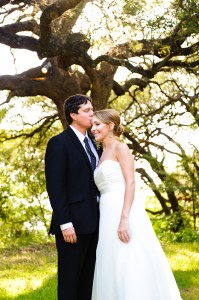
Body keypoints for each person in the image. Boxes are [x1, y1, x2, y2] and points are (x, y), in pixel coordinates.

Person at [91, 109, 182, 300]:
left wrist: (124, 219)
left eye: (97, 124)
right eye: (92, 124)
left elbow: (130, 182)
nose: (93, 129)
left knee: (129, 259)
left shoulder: (120, 148)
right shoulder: (102, 152)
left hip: (123, 210)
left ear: (111, 126)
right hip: (106, 212)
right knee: (111, 260)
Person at [45, 94, 102, 300]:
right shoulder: (58, 143)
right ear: (73, 115)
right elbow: (55, 187)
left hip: (96, 223)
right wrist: (65, 223)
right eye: (87, 110)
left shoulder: (95, 143)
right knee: (70, 283)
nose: (92, 114)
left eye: (92, 109)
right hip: (73, 226)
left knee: (89, 282)